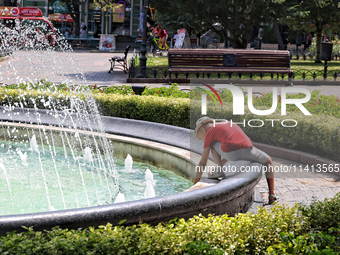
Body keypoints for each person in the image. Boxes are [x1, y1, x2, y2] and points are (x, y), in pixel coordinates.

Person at [194, 116, 278, 204]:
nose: (203, 140)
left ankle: (219, 170)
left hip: (230, 152)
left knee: (213, 145)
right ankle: (272, 194)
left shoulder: (209, 132)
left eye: (201, 137)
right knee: (268, 161)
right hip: (248, 149)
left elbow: (203, 163)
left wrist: (195, 184)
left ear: (203, 130)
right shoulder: (226, 122)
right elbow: (232, 141)